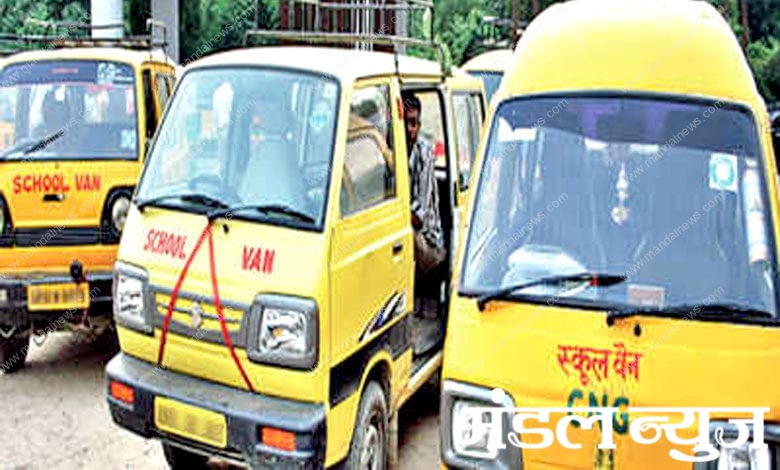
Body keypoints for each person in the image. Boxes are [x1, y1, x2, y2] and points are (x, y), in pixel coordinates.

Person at [402, 92, 446, 300]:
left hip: (428, 239)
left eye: (415, 123)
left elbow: (419, 215)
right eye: (407, 123)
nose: (411, 130)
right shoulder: (390, 149)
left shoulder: (425, 152)